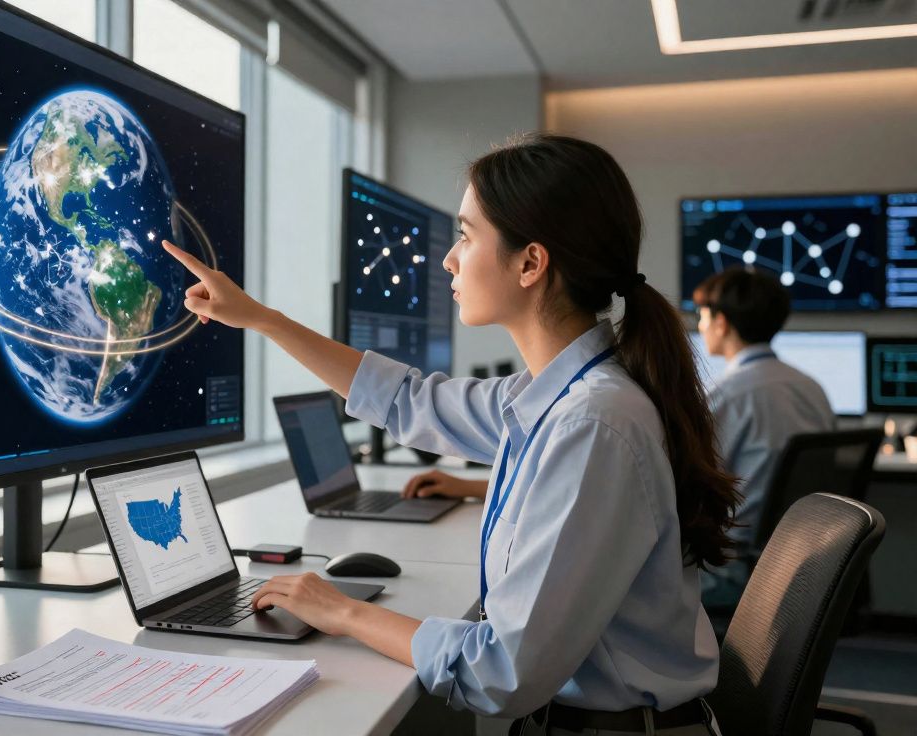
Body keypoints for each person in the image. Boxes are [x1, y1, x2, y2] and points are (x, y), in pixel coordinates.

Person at [161, 132, 738, 735]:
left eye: (465, 235)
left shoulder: (593, 423)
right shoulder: (554, 398)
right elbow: (410, 401)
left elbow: (501, 673)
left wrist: (342, 611)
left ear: (530, 263)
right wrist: (260, 319)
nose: (449, 259)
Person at [692, 268, 834, 608]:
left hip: (736, 571)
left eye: (702, 316)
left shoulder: (724, 395)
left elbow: (687, 483)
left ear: (721, 323)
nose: (699, 326)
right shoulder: (812, 389)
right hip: (801, 565)